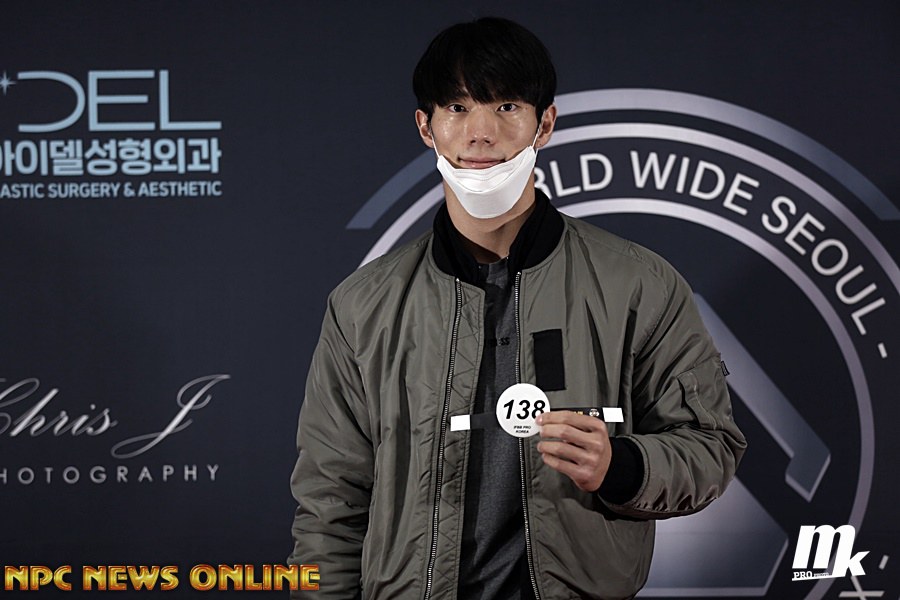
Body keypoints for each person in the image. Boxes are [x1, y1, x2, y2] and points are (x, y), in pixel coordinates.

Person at [289, 17, 746, 600]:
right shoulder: (363, 305)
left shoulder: (639, 284)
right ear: (426, 127)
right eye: (457, 107)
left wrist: (621, 466)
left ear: (544, 124)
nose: (481, 133)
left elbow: (710, 445)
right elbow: (330, 500)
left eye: (506, 106)